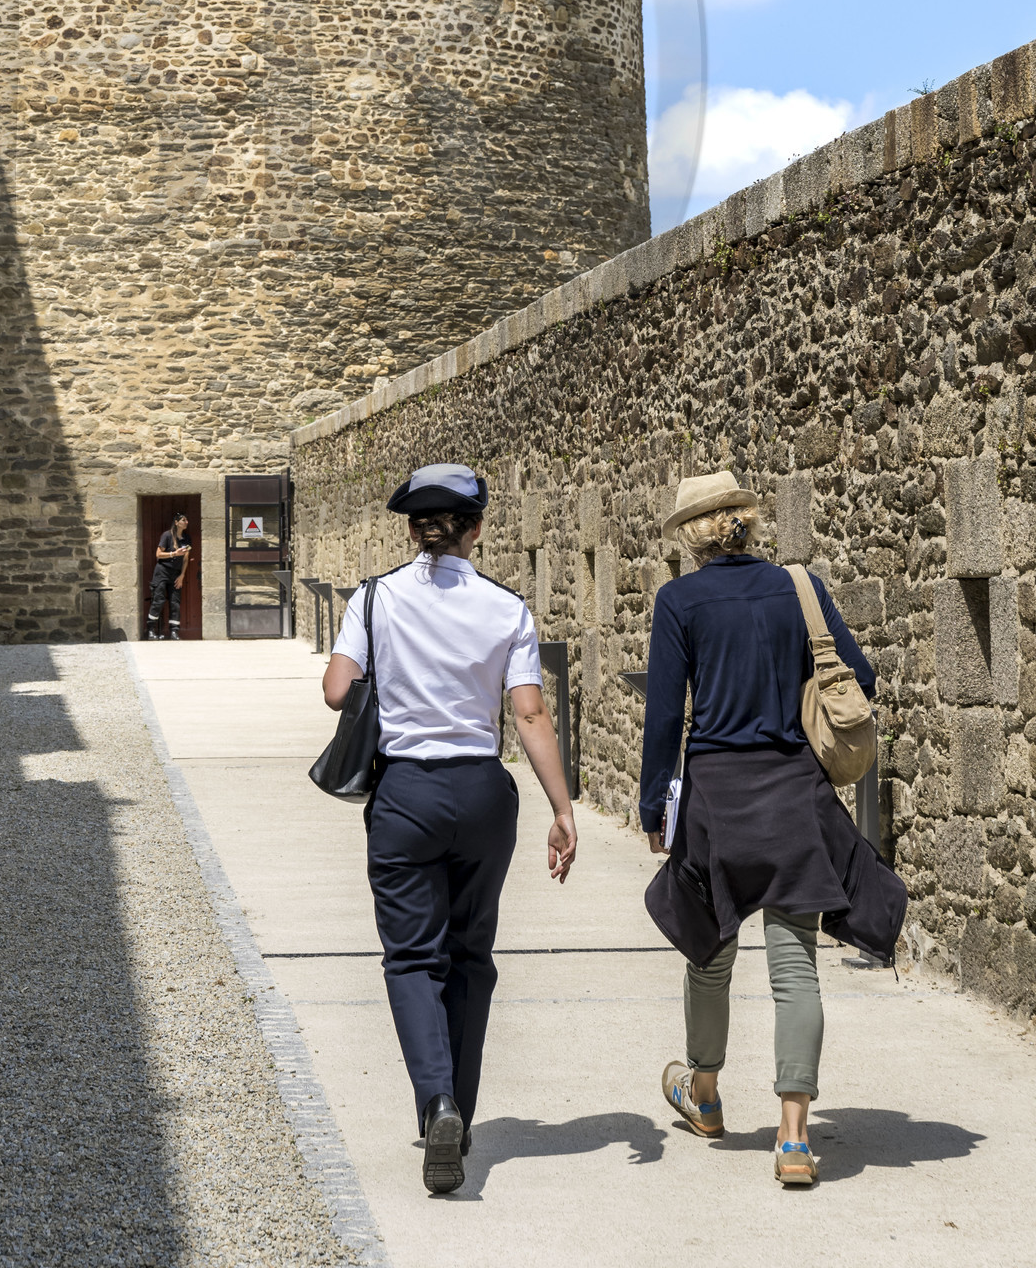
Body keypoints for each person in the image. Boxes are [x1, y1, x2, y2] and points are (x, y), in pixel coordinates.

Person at [640, 469, 903, 1189]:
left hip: (715, 803)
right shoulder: (801, 588)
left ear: (692, 536)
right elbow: (859, 678)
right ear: (745, 524)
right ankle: (793, 1140)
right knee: (795, 968)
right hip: (793, 795)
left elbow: (664, 714)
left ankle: (704, 1096)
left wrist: (653, 806)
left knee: (709, 952)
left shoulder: (679, 601)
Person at [323, 463, 577, 1198]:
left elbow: (337, 690)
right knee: (471, 955)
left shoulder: (373, 598)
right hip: (482, 791)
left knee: (412, 958)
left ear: (413, 529)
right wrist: (562, 809)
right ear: (477, 529)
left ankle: (435, 1101)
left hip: (406, 792)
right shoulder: (507, 608)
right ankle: (458, 1116)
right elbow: (529, 714)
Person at [146, 513, 191, 639]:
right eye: (183, 520)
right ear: (176, 522)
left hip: (176, 574)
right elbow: (158, 554)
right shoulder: (167, 535)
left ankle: (174, 632)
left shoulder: (186, 538)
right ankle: (150, 631)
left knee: (175, 602)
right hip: (162, 572)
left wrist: (182, 575)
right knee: (158, 600)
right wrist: (174, 554)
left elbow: (186, 559)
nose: (186, 522)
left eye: (187, 520)